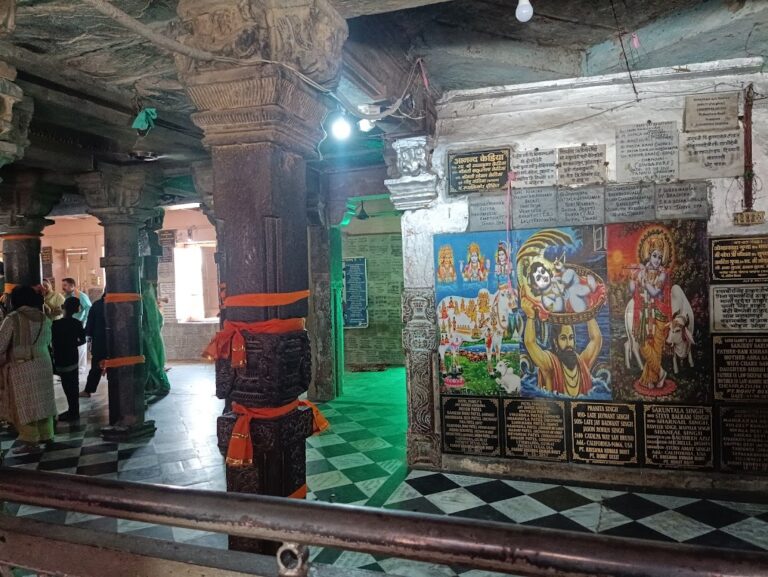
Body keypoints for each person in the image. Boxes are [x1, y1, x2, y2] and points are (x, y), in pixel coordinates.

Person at [0, 286, 56, 454]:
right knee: (43, 401)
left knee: (24, 404)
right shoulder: (43, 317)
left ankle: (31, 441)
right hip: (43, 362)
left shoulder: (13, 318)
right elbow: (48, 339)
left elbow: (1, 344)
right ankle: (47, 435)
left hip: (21, 366)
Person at [521, 289, 602, 397]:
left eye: (571, 337)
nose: (569, 343)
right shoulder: (550, 366)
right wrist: (530, 316)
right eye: (563, 338)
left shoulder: (583, 363)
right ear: (555, 341)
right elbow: (530, 343)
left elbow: (596, 339)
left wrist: (587, 311)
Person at [629, 231, 672, 390]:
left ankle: (652, 380)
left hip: (660, 315)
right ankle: (660, 372)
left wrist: (643, 278)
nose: (657, 260)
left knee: (656, 349)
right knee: (643, 344)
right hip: (644, 314)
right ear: (649, 255)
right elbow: (632, 290)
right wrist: (633, 277)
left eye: (660, 257)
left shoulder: (663, 274)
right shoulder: (642, 271)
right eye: (654, 255)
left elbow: (655, 292)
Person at [51, 297, 86, 421]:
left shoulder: (55, 324)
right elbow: (82, 340)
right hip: (72, 357)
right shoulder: (77, 323)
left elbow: (52, 342)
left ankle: (72, 412)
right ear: (77, 309)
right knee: (74, 385)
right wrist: (72, 344)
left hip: (61, 358)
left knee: (67, 386)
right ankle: (74, 411)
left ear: (62, 307)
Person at [61, 278, 91, 374]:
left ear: (72, 286)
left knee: (81, 347)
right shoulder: (66, 296)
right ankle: (73, 367)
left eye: (65, 285)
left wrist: (84, 321)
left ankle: (81, 368)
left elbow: (88, 307)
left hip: (79, 323)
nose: (63, 287)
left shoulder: (81, 295)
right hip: (69, 323)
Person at [80, 289, 106, 398]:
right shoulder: (119, 304)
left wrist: (88, 335)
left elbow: (90, 323)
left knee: (96, 366)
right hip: (118, 341)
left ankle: (88, 390)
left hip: (100, 340)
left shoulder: (97, 305)